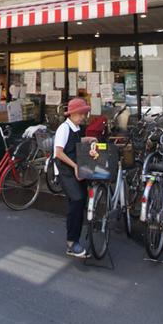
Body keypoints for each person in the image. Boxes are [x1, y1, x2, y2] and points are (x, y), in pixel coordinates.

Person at [53, 97, 93, 258]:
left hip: (74, 168)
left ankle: (74, 239)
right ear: (73, 113)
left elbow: (74, 143)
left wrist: (87, 139)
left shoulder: (75, 128)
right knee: (77, 200)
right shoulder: (63, 128)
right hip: (65, 170)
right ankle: (71, 242)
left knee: (80, 201)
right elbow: (58, 152)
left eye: (84, 113)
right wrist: (75, 166)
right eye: (81, 113)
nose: (83, 116)